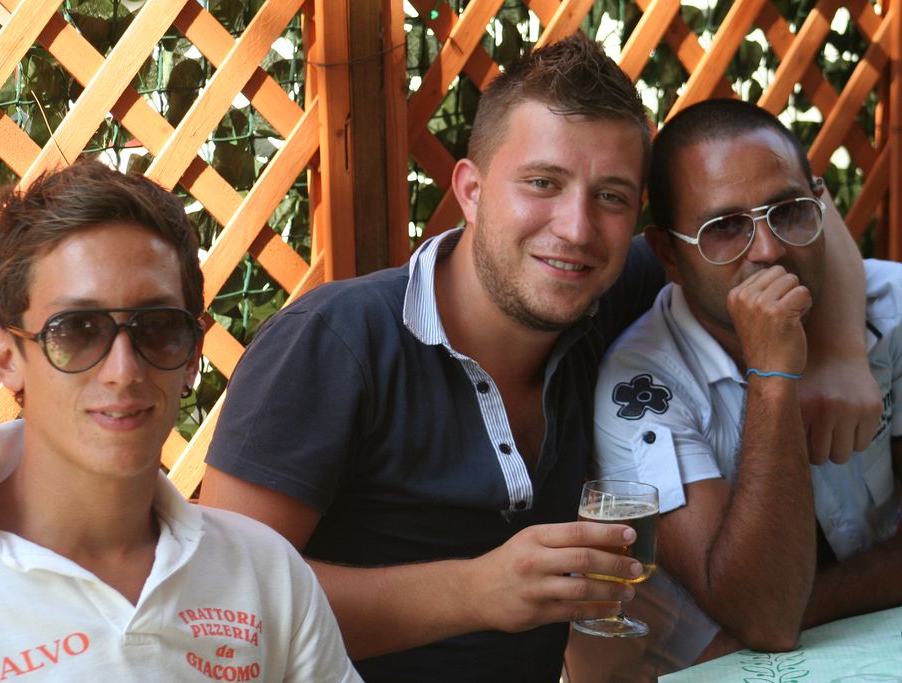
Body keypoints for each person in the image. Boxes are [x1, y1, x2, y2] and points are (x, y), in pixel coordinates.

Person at [200, 36, 878, 683]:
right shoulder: (333, 344)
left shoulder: (601, 296)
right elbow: (223, 604)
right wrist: (474, 590)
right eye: (543, 183)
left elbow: (798, 215)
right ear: (470, 190)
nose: (576, 229)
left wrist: (839, 353)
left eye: (610, 196)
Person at [0, 160, 361, 683]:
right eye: (77, 329)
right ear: (5, 357)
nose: (123, 370)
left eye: (158, 327)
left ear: (192, 354)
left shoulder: (263, 571)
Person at [571, 98, 902, 681]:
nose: (770, 250)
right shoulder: (641, 389)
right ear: (669, 255)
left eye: (789, 212)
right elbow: (766, 616)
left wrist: (805, 608)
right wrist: (773, 378)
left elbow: (766, 619)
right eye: (723, 229)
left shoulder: (892, 312)